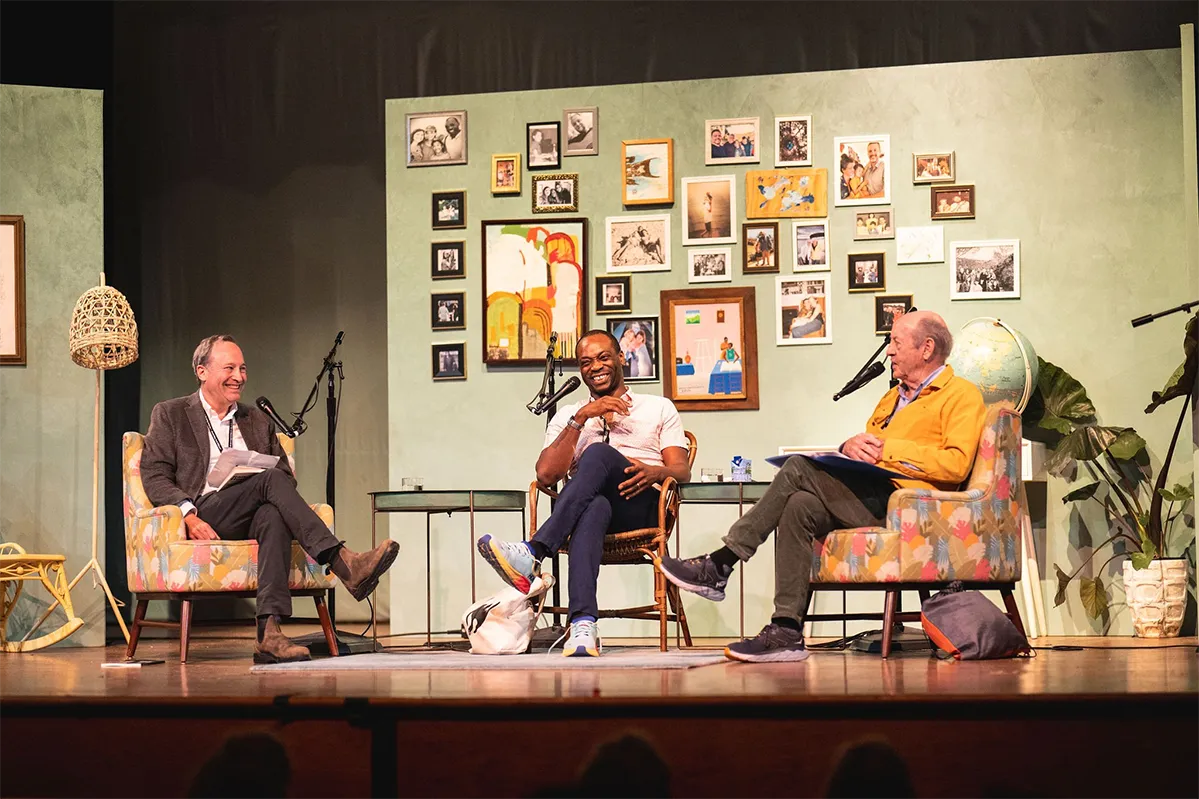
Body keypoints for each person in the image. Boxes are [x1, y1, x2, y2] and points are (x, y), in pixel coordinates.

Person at [657, 311, 985, 662]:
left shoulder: (961, 395)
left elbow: (955, 463)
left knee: (798, 467)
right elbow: (871, 452)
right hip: (871, 494)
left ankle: (721, 562)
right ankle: (786, 629)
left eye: (896, 343)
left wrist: (888, 450)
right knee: (799, 504)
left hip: (911, 508)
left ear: (926, 348)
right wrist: (848, 448)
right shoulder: (891, 399)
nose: (889, 351)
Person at [140, 335, 400, 663]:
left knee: (274, 516)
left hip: (252, 509)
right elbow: (154, 474)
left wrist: (252, 473)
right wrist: (188, 514)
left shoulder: (256, 419)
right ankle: (344, 562)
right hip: (207, 510)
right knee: (270, 481)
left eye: (243, 368)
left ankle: (269, 633)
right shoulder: (171, 413)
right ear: (202, 371)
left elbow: (285, 478)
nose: (239, 376)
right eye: (229, 368)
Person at [476, 331, 690, 657]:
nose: (595, 367)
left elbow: (681, 470)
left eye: (603, 357)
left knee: (598, 454)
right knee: (594, 506)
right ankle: (583, 624)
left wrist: (655, 472)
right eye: (586, 362)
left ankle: (534, 551)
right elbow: (546, 475)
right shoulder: (569, 415)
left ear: (621, 358)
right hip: (587, 513)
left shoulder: (657, 407)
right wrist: (582, 418)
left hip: (641, 506)